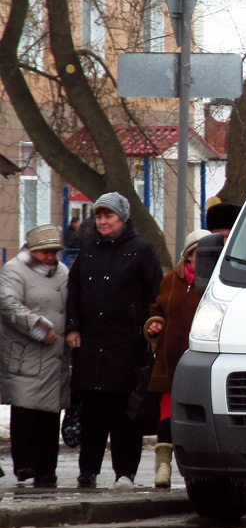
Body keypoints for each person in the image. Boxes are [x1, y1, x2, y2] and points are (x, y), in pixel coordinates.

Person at [66, 192, 163, 489]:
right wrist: (73, 327)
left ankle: (125, 473)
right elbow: (75, 292)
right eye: (99, 216)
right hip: (91, 346)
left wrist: (151, 326)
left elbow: (154, 294)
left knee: (125, 415)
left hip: (127, 346)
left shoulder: (141, 250)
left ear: (122, 218)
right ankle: (88, 471)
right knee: (93, 412)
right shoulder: (88, 250)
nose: (103, 221)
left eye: (108, 216)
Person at [0, 225, 71, 487]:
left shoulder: (63, 272)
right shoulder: (14, 271)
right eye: (44, 253)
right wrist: (39, 327)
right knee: (25, 412)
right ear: (31, 251)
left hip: (54, 357)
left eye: (54, 252)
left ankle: (46, 469)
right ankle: (25, 465)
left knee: (50, 416)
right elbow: (7, 303)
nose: (50, 258)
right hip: (26, 355)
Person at [143, 229, 210, 487]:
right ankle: (163, 468)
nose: (201, 260)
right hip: (169, 363)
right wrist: (154, 325)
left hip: (199, 363)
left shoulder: (216, 283)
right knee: (166, 417)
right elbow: (156, 310)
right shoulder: (171, 281)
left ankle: (202, 472)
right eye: (197, 255)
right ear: (188, 256)